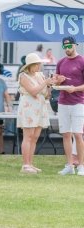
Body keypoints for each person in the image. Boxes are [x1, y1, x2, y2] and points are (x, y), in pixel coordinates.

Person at [17, 53, 54, 174]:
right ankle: (25, 164)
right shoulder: (23, 76)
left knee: (35, 137)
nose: (39, 66)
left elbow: (46, 94)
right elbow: (33, 91)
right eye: (37, 64)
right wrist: (45, 83)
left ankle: (30, 164)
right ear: (30, 65)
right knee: (28, 136)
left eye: (39, 64)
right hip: (29, 108)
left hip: (40, 107)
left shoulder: (40, 75)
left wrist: (50, 84)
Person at [54, 36, 84, 175]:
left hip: (78, 102)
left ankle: (81, 166)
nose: (67, 49)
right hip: (63, 101)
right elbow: (55, 83)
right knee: (66, 134)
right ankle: (70, 165)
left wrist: (75, 89)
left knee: (78, 134)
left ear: (75, 45)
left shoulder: (82, 61)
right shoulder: (61, 62)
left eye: (69, 46)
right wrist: (58, 81)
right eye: (64, 47)